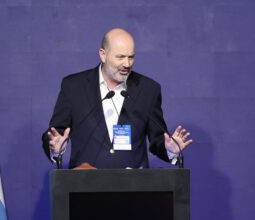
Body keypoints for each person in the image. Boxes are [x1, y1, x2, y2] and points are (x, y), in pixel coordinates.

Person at [42, 28, 193, 169]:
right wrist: (54, 148)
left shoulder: (148, 89)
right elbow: (56, 133)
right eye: (120, 57)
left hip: (134, 188)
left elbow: (158, 138)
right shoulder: (74, 87)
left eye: (131, 57)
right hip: (85, 185)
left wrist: (170, 149)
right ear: (103, 54)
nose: (126, 64)